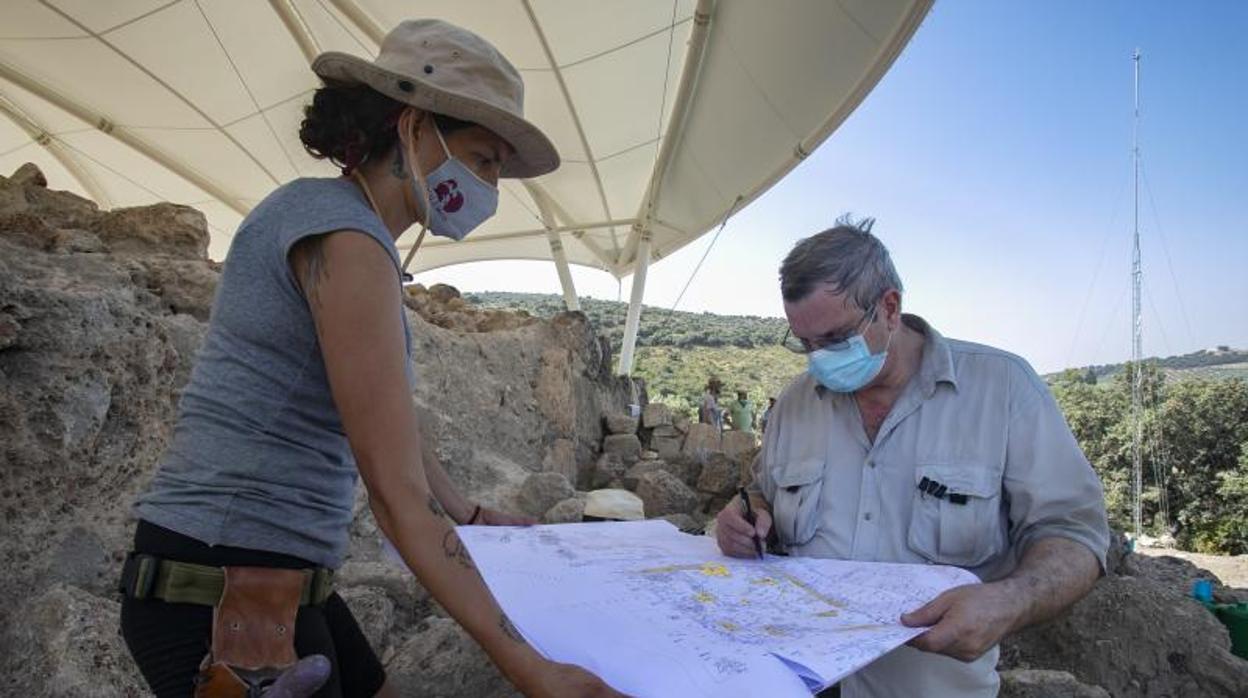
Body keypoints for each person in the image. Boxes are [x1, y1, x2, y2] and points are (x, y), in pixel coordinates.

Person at [118, 19, 623, 698]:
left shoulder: (333, 222)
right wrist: (537, 671)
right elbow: (395, 499)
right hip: (219, 592)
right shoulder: (347, 242)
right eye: (483, 158)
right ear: (414, 128)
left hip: (287, 581)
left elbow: (389, 420)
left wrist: (469, 513)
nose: (492, 185)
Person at [715, 217, 1109, 697]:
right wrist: (748, 514)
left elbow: (1073, 534)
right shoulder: (794, 404)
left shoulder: (1005, 390)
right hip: (802, 683)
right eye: (805, 344)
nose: (818, 359)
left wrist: (1008, 601)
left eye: (836, 339)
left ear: (890, 307)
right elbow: (764, 494)